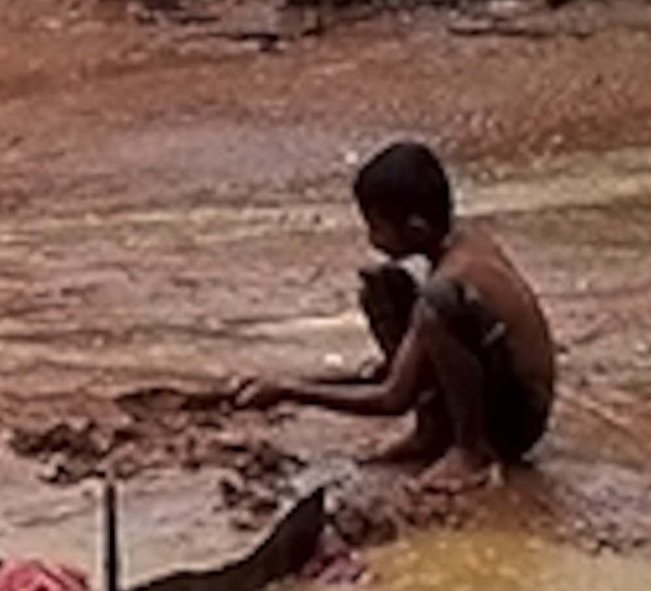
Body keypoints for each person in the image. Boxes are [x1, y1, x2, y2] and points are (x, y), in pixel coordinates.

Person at [236, 140, 556, 493]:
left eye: (376, 226)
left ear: (416, 227)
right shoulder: (463, 242)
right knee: (382, 290)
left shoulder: (449, 285)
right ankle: (432, 432)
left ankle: (471, 450)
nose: (372, 237)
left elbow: (392, 398)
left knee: (437, 306)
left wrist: (288, 391)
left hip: (517, 422)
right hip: (507, 388)